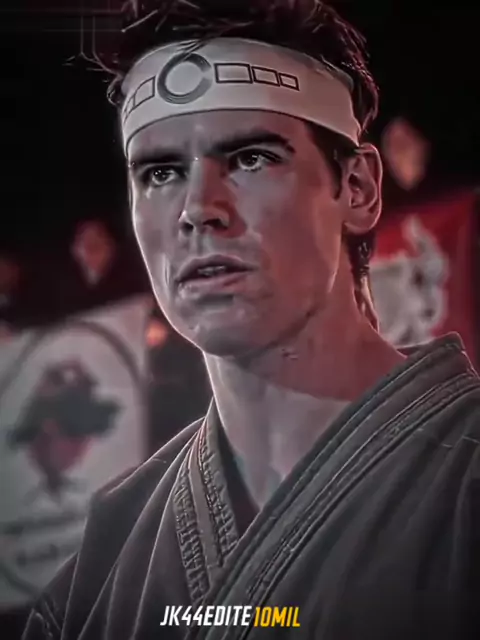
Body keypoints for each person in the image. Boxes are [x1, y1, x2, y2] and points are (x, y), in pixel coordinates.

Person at [23, 1, 480, 639]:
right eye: (160, 172)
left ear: (356, 188)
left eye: (250, 158)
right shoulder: (103, 564)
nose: (198, 208)